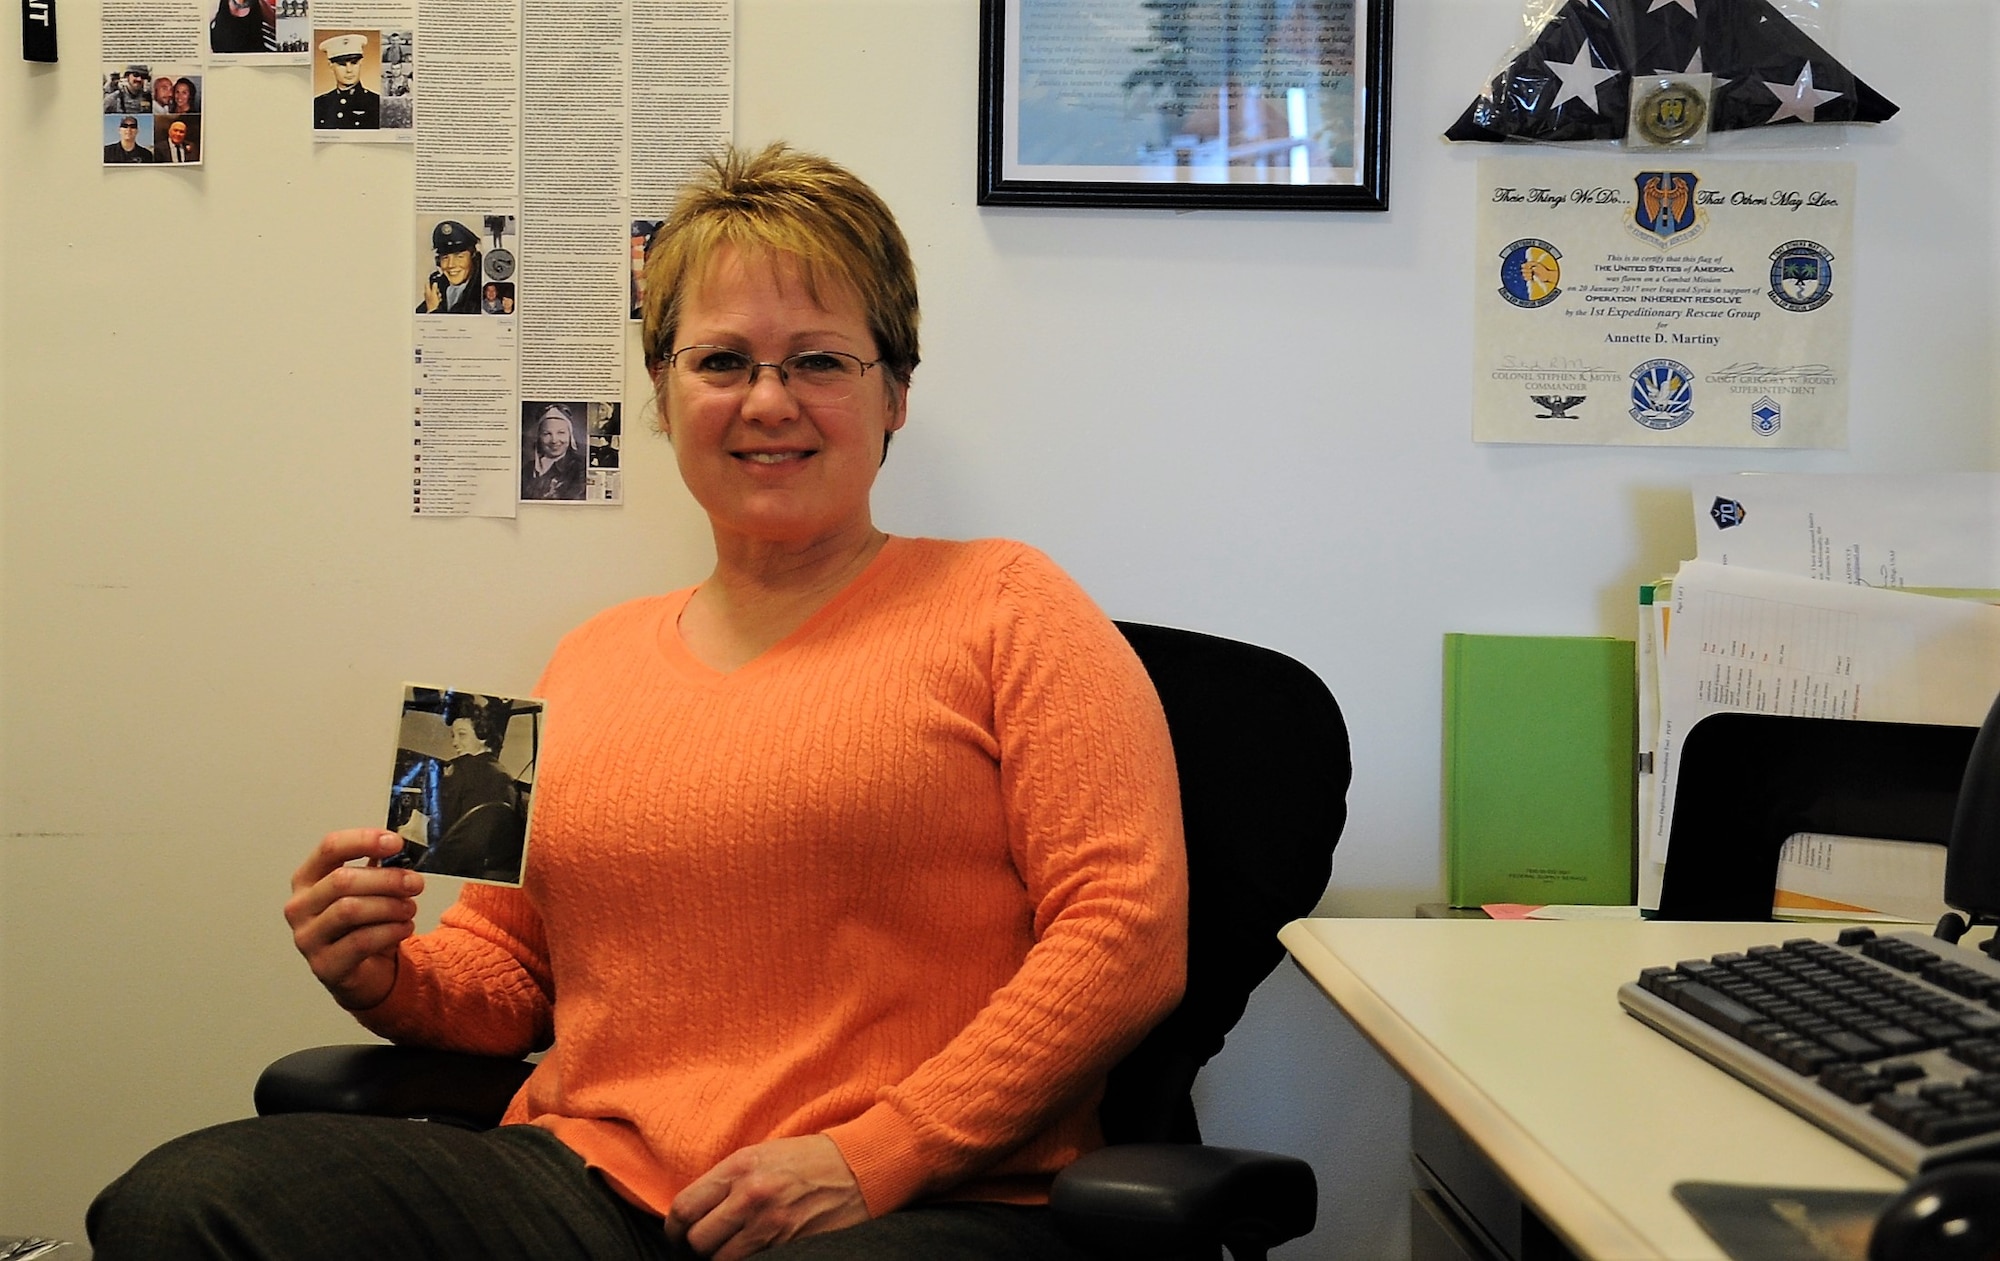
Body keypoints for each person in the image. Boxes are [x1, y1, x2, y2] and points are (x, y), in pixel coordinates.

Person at [88, 142, 1186, 1261]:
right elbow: (506, 973)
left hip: (912, 1200)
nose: (768, 401)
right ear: (663, 393)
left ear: (894, 391)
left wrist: (877, 1153)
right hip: (587, 1181)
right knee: (188, 1202)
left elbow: (1125, 934)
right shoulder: (580, 659)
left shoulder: (1011, 605)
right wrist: (385, 975)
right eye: (721, 361)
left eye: (818, 360)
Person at [387, 697, 526, 884]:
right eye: (453, 736)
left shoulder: (460, 767)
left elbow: (440, 828)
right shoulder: (506, 775)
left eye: (462, 735)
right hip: (494, 869)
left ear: (482, 736)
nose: (455, 743)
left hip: (455, 865)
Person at [521, 404, 589, 500]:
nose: (554, 440)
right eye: (547, 434)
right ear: (539, 436)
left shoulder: (581, 467)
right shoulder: (527, 470)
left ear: (570, 435)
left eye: (561, 433)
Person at [313, 33, 380, 129]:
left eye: (354, 63)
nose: (349, 70)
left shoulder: (376, 102)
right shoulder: (320, 103)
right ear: (330, 66)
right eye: (342, 64)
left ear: (361, 63)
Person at [418, 220, 483, 314]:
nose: (450, 265)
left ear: (473, 257)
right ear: (438, 261)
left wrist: (433, 311)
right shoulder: (440, 288)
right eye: (445, 257)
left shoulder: (482, 294)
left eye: (459, 256)